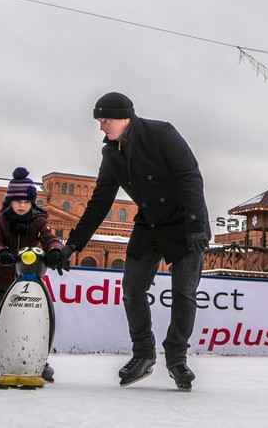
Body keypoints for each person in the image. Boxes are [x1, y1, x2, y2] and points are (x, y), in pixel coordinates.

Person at [52, 93, 211, 390]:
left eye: (106, 120)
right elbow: (100, 200)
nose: (102, 127)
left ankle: (177, 359)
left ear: (124, 117)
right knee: (131, 290)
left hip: (186, 222)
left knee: (184, 293)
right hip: (149, 222)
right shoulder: (112, 153)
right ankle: (143, 354)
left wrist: (196, 226)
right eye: (99, 121)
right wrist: (72, 245)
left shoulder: (161, 133)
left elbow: (190, 177)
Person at [0, 168, 64, 383]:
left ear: (32, 202)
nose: (22, 205)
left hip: (29, 279)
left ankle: (38, 358)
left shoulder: (39, 220)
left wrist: (55, 251)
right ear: (9, 202)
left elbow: (50, 238)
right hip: (1, 279)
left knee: (34, 319)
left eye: (26, 201)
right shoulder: (0, 220)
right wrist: (0, 253)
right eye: (17, 201)